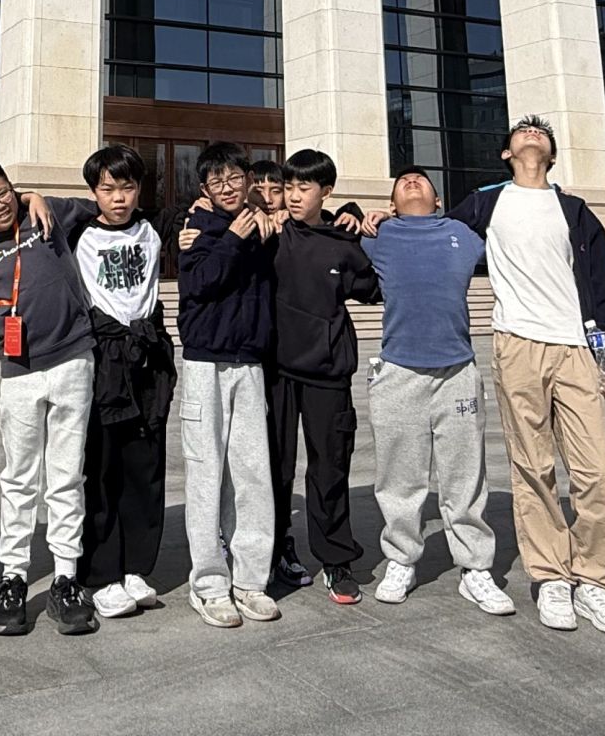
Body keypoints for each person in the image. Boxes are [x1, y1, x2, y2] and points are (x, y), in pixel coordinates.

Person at [436, 115, 605, 635]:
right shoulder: (486, 203)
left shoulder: (575, 211)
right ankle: (551, 577)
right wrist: (366, 221)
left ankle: (595, 581)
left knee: (598, 471)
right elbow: (430, 236)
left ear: (551, 153)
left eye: (540, 132)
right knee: (533, 466)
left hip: (577, 347)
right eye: (522, 132)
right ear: (507, 154)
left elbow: (602, 287)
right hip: (518, 344)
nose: (531, 134)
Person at [0, 157, 100, 638]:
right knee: (19, 478)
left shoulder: (44, 211)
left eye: (3, 193)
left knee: (66, 475)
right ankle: (13, 577)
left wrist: (35, 195)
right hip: (19, 373)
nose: (0, 205)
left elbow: (96, 204)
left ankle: (65, 578)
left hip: (73, 358)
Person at [360, 167, 514, 615]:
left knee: (465, 474)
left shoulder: (464, 235)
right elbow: (326, 225)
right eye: (403, 181)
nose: (412, 182)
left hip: (457, 370)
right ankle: (401, 558)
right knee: (399, 476)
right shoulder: (377, 237)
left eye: (422, 180)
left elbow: (506, 195)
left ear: (439, 199)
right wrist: (359, 213)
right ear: (391, 204)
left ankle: (475, 568)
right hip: (398, 370)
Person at [41, 145, 177, 621]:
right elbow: (21, 210)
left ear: (140, 189)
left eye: (127, 187)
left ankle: (137, 567)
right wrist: (31, 196)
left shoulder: (156, 225)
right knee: (99, 467)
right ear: (93, 192)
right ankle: (100, 575)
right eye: (108, 189)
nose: (118, 198)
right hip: (102, 359)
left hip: (148, 359)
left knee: (145, 465)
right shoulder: (77, 231)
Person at [175, 141, 283, 627]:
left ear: (248, 180)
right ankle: (209, 584)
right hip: (205, 363)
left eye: (234, 177)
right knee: (206, 474)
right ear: (204, 188)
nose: (227, 187)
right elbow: (199, 284)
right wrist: (233, 239)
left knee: (252, 473)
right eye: (216, 181)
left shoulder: (261, 226)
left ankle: (251, 580)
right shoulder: (196, 228)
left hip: (249, 362)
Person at [266, 149, 379, 605]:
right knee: (274, 468)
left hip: (328, 372)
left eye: (304, 187)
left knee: (330, 467)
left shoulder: (342, 242)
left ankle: (336, 559)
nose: (294, 196)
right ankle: (273, 552)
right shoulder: (273, 234)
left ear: (325, 192)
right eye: (289, 187)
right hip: (276, 370)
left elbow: (373, 289)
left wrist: (367, 221)